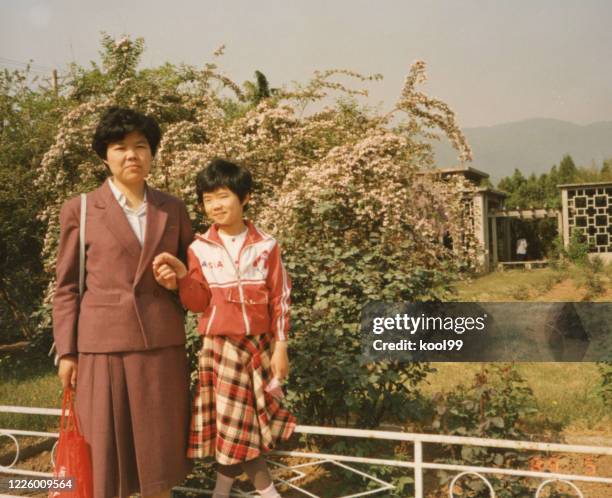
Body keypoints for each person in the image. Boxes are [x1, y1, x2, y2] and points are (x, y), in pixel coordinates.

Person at [53, 107, 193, 498]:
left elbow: (195, 285)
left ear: (152, 154)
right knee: (105, 466)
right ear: (105, 155)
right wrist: (67, 351)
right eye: (120, 147)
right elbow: (66, 287)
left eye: (141, 146)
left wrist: (179, 277)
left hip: (160, 348)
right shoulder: (79, 209)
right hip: (102, 350)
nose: (132, 155)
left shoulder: (173, 209)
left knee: (158, 466)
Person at [153, 158, 296, 498]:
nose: (215, 205)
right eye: (207, 199)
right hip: (219, 348)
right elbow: (197, 303)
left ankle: (220, 492)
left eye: (223, 196)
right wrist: (183, 279)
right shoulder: (199, 248)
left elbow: (281, 297)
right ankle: (269, 494)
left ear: (245, 197)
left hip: (259, 348)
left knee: (239, 427)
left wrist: (281, 346)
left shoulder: (266, 245)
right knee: (238, 426)